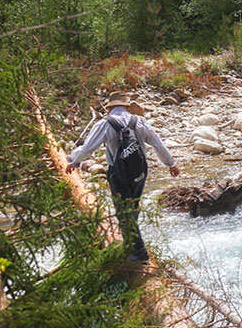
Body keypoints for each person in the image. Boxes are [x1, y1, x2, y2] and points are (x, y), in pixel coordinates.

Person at [65, 91, 179, 261]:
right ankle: (131, 244)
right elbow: (157, 144)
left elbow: (88, 149)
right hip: (140, 170)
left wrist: (73, 161)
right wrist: (171, 163)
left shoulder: (105, 124)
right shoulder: (139, 121)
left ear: (109, 107)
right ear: (126, 106)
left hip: (117, 173)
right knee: (133, 208)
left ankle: (139, 252)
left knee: (123, 211)